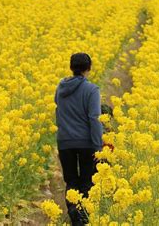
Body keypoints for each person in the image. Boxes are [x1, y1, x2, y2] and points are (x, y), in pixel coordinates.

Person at [55, 53, 103, 225]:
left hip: (65, 142)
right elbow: (94, 118)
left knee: (71, 181)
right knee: (86, 181)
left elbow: (58, 110)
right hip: (86, 142)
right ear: (88, 68)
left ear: (71, 67)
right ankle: (82, 217)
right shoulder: (92, 90)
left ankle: (74, 213)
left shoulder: (60, 88)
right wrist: (98, 145)